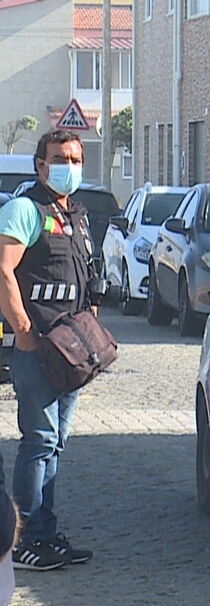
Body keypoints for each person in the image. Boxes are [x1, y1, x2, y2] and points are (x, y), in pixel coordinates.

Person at [0, 130, 96, 570]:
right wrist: (22, 331)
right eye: (59, 159)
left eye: (75, 159)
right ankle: (22, 540)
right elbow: (4, 273)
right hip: (37, 347)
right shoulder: (25, 209)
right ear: (40, 165)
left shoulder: (74, 213)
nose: (69, 167)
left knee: (55, 443)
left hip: (71, 350)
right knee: (38, 441)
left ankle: (45, 533)